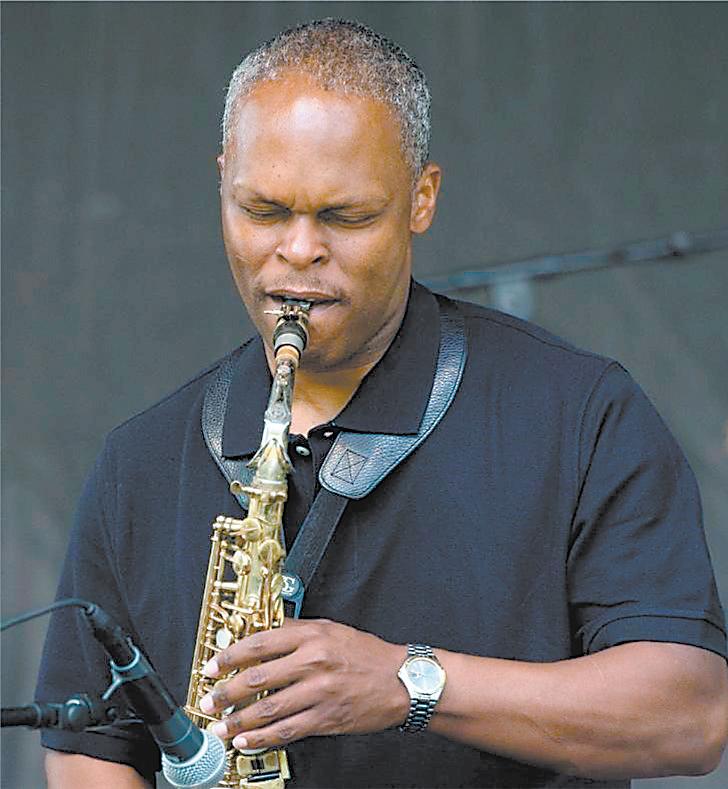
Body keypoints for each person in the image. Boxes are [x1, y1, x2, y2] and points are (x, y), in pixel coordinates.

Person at [38, 18, 727, 789]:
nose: (298, 250)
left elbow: (690, 716)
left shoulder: (581, 412)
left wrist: (409, 682)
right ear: (223, 180)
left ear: (421, 198)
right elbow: (89, 751)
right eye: (263, 210)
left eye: (345, 216)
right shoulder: (139, 461)